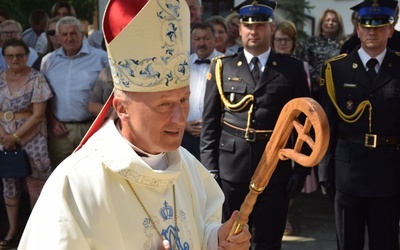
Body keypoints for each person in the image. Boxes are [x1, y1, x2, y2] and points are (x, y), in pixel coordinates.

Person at [18, 0, 252, 249]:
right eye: (163, 104)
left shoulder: (188, 166)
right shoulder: (76, 183)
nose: (179, 117)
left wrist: (216, 239)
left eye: (184, 99)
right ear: (121, 108)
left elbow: (199, 229)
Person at [200, 1, 310, 249]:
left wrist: (299, 171)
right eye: (248, 25)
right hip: (232, 170)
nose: (254, 31)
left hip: (275, 169)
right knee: (230, 240)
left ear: (271, 28)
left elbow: (303, 123)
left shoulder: (291, 69)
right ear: (239, 29)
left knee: (269, 240)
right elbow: (210, 126)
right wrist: (210, 172)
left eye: (260, 25)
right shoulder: (222, 67)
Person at [318, 0, 400, 249]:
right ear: (357, 29)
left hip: (390, 172)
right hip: (347, 173)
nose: (372, 31)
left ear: (391, 29)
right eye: (366, 25)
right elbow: (327, 125)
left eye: (380, 25)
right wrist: (325, 171)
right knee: (347, 243)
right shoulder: (337, 69)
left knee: (385, 243)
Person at [0, 38, 53, 247]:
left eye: (19, 55)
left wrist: (15, 137)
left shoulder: (37, 79)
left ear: (27, 56)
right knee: (9, 183)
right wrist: (5, 136)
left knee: (36, 183)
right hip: (4, 137)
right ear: (4, 57)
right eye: (10, 55)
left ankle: (37, 231)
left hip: (32, 136)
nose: (15, 59)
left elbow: (38, 115)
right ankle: (12, 230)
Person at [41, 16, 108, 167]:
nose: (69, 38)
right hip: (60, 131)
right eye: (64, 34)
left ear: (82, 34)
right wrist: (52, 122)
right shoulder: (48, 61)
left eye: (73, 33)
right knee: (61, 174)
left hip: (92, 128)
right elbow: (43, 97)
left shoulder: (100, 58)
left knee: (93, 171)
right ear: (58, 37)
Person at [271, 19, 316, 236]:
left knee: (283, 187)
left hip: (290, 137)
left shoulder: (298, 66)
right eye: (277, 39)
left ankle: (285, 218)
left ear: (293, 42)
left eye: (285, 40)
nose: (281, 43)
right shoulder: (267, 64)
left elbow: (305, 109)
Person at [181, 22, 222, 160]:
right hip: (185, 135)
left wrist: (212, 124)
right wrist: (184, 125)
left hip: (216, 136)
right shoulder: (182, 66)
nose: (201, 43)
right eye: (197, 39)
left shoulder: (227, 63)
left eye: (206, 39)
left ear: (214, 40)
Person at [300, 9, 345, 99]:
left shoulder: (344, 43)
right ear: (321, 23)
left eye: (334, 21)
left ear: (339, 25)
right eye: (327, 20)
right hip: (315, 89)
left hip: (338, 88)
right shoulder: (311, 41)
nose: (330, 23)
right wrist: (317, 78)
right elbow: (305, 63)